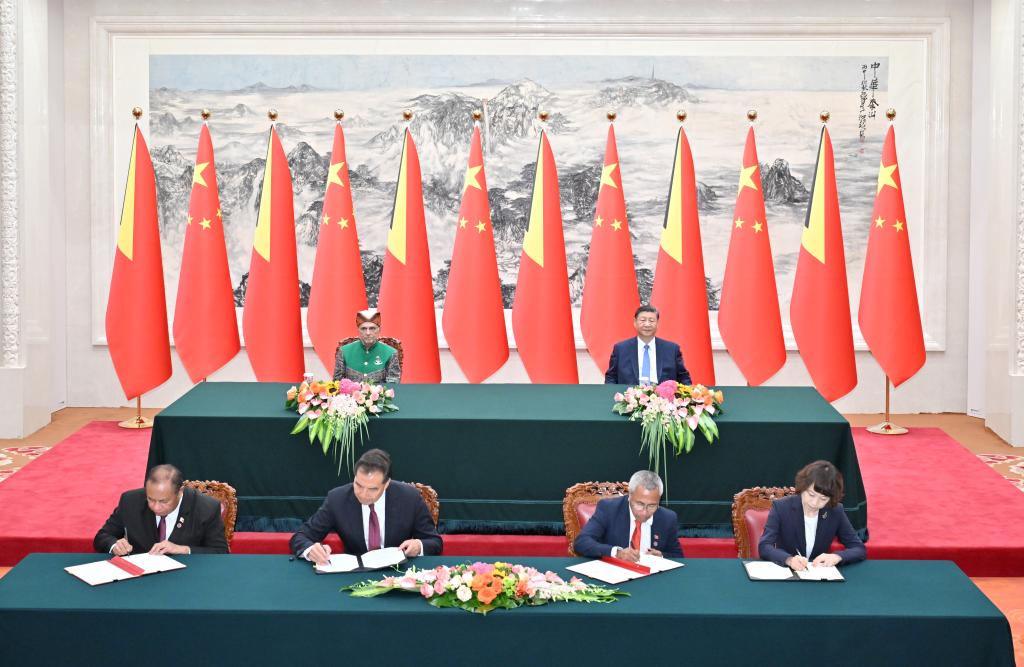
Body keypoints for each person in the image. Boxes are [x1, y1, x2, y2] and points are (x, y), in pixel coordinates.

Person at [290, 448, 441, 564]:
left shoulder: (410, 498)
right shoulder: (337, 499)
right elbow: (301, 537)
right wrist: (311, 550)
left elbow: (434, 542)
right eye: (359, 485)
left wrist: (418, 546)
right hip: (355, 574)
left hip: (398, 574)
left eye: (373, 489)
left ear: (387, 484)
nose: (363, 494)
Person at [93, 464, 228, 555]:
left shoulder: (206, 508)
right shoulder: (130, 501)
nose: (155, 507)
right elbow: (102, 537)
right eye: (150, 499)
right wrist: (114, 545)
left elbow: (220, 551)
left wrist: (183, 549)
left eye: (163, 501)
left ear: (180, 492)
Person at [758, 460, 866, 570]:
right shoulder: (781, 507)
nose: (815, 503)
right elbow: (764, 546)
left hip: (818, 574)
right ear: (803, 486)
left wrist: (837, 556)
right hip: (788, 572)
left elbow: (858, 548)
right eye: (811, 494)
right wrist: (789, 560)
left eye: (823, 499)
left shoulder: (835, 511)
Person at [573, 470, 683, 561]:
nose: (644, 512)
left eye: (652, 506)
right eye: (639, 504)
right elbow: (582, 542)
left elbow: (678, 556)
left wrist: (662, 556)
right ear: (629, 495)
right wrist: (617, 552)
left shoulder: (668, 518)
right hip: (615, 575)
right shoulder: (608, 509)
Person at [604, 305, 691, 385]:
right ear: (635, 322)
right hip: (628, 398)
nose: (647, 324)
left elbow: (683, 377)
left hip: (663, 400)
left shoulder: (672, 349)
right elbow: (611, 377)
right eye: (643, 320)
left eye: (651, 320)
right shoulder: (621, 349)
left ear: (657, 323)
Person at [333, 309, 402, 383]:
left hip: (380, 394)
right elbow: (337, 383)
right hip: (351, 394)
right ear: (358, 330)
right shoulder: (344, 351)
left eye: (372, 328)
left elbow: (393, 385)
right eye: (363, 329)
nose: (368, 333)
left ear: (379, 330)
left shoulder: (390, 353)